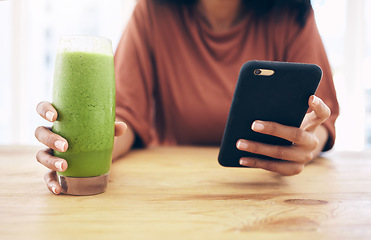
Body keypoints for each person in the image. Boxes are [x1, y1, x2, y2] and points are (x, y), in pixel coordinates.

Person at [35, 0, 339, 195]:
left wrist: (309, 144)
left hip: (266, 191)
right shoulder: (152, 11)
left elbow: (321, 119)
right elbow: (123, 120)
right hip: (174, 191)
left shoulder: (292, 13)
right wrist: (74, 148)